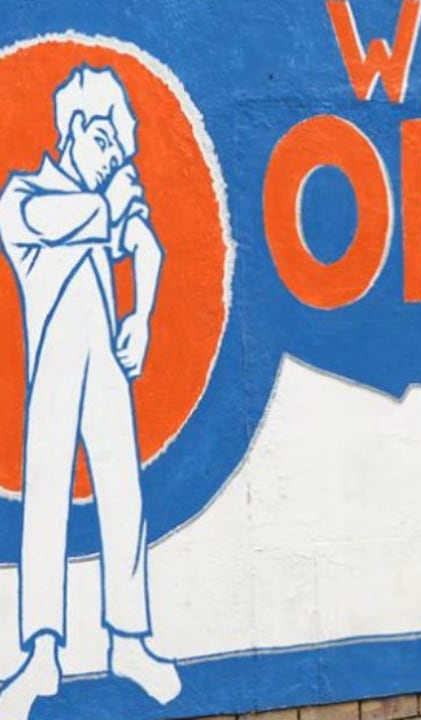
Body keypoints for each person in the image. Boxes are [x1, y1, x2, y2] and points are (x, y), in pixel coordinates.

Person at [0, 65, 179, 719]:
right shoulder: (24, 198)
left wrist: (142, 315)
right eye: (106, 143)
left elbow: (148, 247)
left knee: (123, 494)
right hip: (52, 373)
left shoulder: (100, 198)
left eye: (120, 151)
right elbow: (54, 222)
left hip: (105, 364)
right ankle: (40, 654)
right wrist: (112, 205)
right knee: (45, 501)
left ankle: (128, 642)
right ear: (76, 130)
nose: (113, 160)